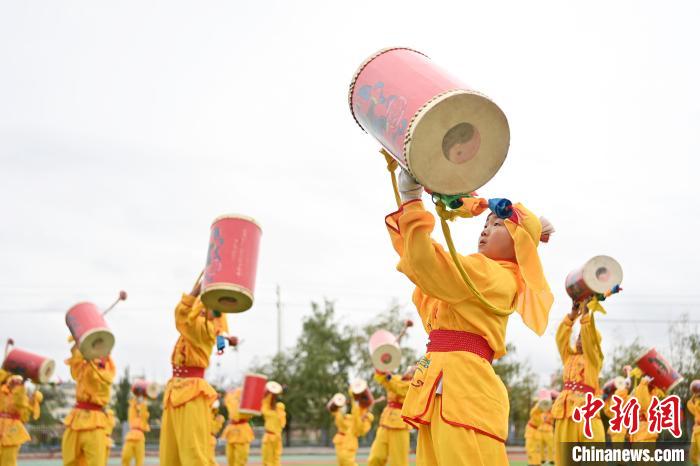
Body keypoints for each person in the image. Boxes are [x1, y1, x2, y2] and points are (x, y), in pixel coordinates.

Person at [385, 170, 554, 466]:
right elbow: (423, 269)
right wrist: (409, 206)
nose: (485, 230)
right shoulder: (480, 275)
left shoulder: (492, 275)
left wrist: (411, 201)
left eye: (497, 224)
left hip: (462, 393)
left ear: (520, 244)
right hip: (444, 387)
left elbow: (427, 265)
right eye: (486, 223)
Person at [159, 275, 229, 465]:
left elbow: (182, 316)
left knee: (194, 455)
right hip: (174, 392)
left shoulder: (204, 330)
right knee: (170, 457)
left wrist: (196, 291)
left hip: (192, 393)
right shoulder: (191, 330)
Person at [551, 299, 605, 465]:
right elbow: (561, 340)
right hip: (566, 411)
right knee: (565, 459)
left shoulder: (594, 359)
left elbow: (590, 342)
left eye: (584, 336)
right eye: (579, 337)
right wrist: (573, 315)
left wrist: (586, 315)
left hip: (586, 412)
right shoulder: (569, 357)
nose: (580, 340)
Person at [61, 337, 116, 466]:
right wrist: (78, 344)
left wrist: (91, 358)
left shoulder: (106, 366)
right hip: (76, 419)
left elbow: (99, 379)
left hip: (95, 421)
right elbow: (75, 369)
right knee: (69, 461)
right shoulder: (84, 364)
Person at [367, 367, 414, 466]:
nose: (411, 370)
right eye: (410, 368)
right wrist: (380, 369)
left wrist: (388, 377)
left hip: (400, 425)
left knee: (398, 462)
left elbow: (398, 388)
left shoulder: (414, 385)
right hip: (385, 422)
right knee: (376, 457)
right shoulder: (396, 378)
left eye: (414, 370)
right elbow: (383, 380)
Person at [0, 372, 42, 466]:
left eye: (17, 382)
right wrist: (9, 371)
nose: (14, 383)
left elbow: (19, 403)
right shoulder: (2, 392)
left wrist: (22, 384)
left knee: (8, 461)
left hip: (12, 432)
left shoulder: (23, 398)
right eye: (12, 381)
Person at [335, 380, 375, 466]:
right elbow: (353, 394)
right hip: (345, 441)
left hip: (351, 442)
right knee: (342, 462)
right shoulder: (355, 412)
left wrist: (363, 418)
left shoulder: (367, 421)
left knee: (347, 461)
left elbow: (360, 430)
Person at [222, 388, 254, 466]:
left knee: (241, 459)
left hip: (242, 429)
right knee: (230, 458)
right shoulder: (230, 396)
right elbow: (225, 403)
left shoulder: (248, 397)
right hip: (232, 427)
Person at [121, 389, 151, 466]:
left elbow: (144, 409)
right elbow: (132, 406)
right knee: (125, 457)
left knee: (139, 461)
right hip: (130, 438)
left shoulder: (144, 417)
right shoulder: (132, 416)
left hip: (140, 439)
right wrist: (136, 396)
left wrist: (143, 399)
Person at [261, 381, 286, 466]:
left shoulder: (270, 413)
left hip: (269, 438)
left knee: (267, 460)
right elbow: (269, 404)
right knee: (276, 458)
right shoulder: (282, 415)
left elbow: (265, 403)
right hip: (277, 438)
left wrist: (271, 393)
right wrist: (275, 392)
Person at [524, 400, 543, 466]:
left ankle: (533, 463)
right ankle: (536, 463)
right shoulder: (540, 414)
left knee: (530, 449)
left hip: (531, 432)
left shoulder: (535, 412)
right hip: (535, 432)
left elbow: (535, 410)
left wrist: (540, 403)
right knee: (535, 450)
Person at [209, 400, 225, 465]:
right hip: (206, 438)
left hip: (208, 439)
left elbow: (215, 430)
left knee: (209, 460)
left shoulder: (218, 417)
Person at [688, 389, 700, 466]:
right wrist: (694, 396)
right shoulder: (696, 403)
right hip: (696, 431)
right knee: (693, 454)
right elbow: (689, 405)